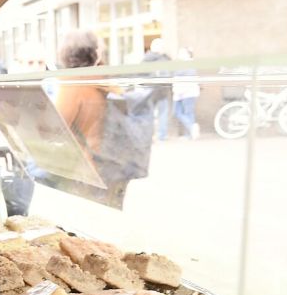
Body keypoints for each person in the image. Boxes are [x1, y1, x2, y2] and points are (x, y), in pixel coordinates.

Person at [51, 29, 156, 207]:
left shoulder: (72, 83)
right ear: (95, 53)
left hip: (88, 168)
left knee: (86, 222)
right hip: (114, 165)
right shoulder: (106, 81)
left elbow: (57, 127)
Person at [144, 37, 172, 141]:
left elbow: (140, 73)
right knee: (162, 113)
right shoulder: (166, 59)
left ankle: (150, 135)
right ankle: (161, 135)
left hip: (150, 90)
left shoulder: (146, 59)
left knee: (149, 114)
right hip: (162, 90)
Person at [172, 47, 201, 139]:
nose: (180, 54)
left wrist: (179, 91)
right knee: (178, 112)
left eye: (182, 53)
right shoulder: (182, 65)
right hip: (180, 93)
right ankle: (191, 128)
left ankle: (190, 133)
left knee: (188, 113)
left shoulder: (189, 65)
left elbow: (189, 80)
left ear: (188, 54)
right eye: (179, 52)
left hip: (187, 93)